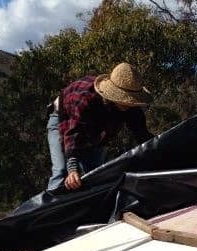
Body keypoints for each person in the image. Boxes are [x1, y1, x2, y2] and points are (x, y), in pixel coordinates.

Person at [47, 62, 153, 192]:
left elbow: (143, 135)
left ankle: (91, 210)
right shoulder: (86, 98)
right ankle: (51, 209)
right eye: (126, 100)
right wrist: (73, 169)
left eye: (131, 100)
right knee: (62, 172)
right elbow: (74, 132)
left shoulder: (131, 107)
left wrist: (160, 152)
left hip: (97, 130)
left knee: (95, 174)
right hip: (63, 120)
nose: (129, 104)